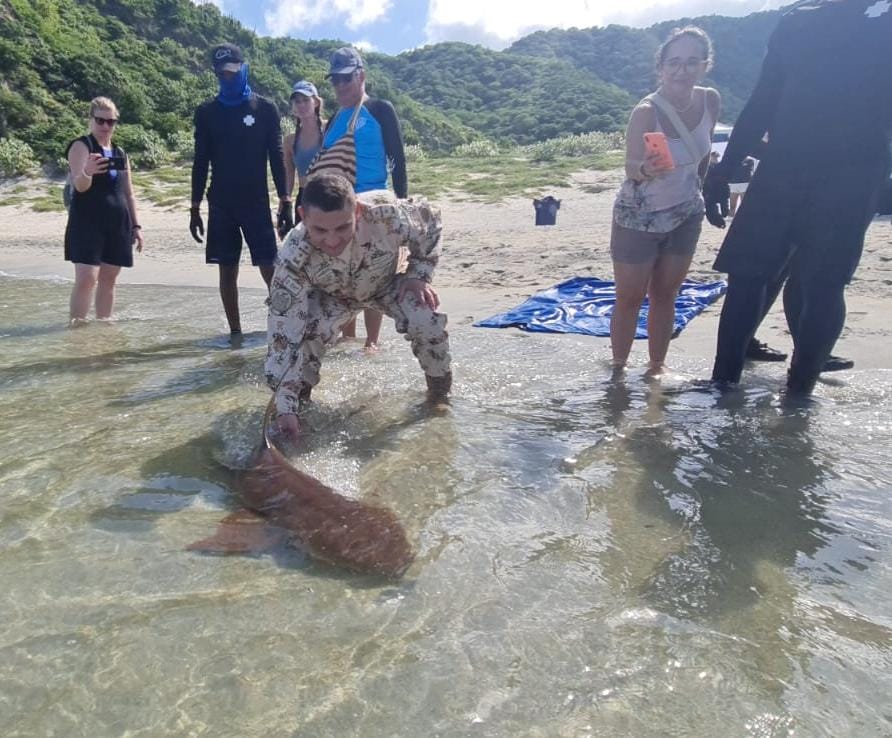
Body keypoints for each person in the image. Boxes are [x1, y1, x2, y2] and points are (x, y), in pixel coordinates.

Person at [704, 0, 892, 395]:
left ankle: (799, 399)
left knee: (822, 282)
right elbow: (763, 101)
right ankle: (720, 390)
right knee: (747, 274)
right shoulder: (797, 22)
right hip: (783, 165)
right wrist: (723, 170)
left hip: (853, 174)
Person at [264, 173, 451, 440]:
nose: (331, 241)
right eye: (320, 230)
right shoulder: (293, 259)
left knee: (426, 317)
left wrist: (419, 275)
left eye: (342, 228)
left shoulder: (387, 215)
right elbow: (283, 337)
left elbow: (431, 221)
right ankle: (299, 412)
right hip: (333, 298)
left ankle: (439, 397)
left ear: (359, 212)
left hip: (385, 285)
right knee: (304, 336)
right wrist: (284, 407)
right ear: (303, 215)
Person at [608, 26, 720, 374]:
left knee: (666, 295)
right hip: (639, 217)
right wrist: (645, 167)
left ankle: (657, 368)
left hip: (687, 212)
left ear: (704, 65)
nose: (681, 70)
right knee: (629, 298)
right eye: (673, 63)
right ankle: (619, 371)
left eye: (691, 62)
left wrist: (702, 191)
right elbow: (630, 167)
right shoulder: (645, 111)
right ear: (661, 68)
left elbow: (703, 156)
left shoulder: (709, 100)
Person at [189, 42, 290, 336]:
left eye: (232, 72)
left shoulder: (265, 108)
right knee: (227, 269)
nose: (228, 78)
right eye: (221, 74)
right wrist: (194, 208)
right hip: (221, 204)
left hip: (256, 202)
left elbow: (276, 156)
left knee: (269, 265)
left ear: (243, 69)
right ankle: (235, 335)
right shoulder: (207, 112)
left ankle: (283, 326)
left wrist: (285, 200)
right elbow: (200, 162)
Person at [320, 46, 408, 351]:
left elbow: (398, 160)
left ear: (361, 76)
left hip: (376, 207)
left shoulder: (380, 109)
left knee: (375, 274)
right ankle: (347, 336)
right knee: (342, 275)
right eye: (335, 81)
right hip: (340, 212)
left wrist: (403, 208)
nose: (340, 86)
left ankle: (372, 342)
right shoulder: (333, 120)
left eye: (346, 79)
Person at [65, 96, 144, 324]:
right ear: (90, 121)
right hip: (87, 222)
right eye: (100, 121)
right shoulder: (82, 146)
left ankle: (103, 325)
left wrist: (136, 226)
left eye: (111, 122)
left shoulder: (119, 152)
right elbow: (80, 187)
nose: (105, 127)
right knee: (87, 278)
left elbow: (128, 193)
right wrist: (88, 171)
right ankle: (77, 329)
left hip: (118, 223)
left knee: (109, 278)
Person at [279, 80, 325, 237]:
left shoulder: (330, 129)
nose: (301, 105)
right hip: (304, 197)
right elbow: (289, 178)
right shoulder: (290, 140)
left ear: (316, 102)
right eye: (297, 101)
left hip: (329, 194)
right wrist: (283, 209)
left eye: (306, 100)